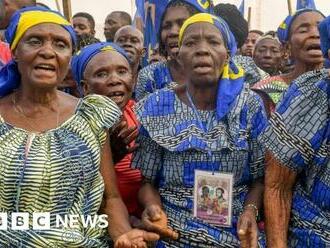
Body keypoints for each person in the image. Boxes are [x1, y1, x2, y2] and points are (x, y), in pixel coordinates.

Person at [0, 7, 159, 247]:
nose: (48, 52)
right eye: (35, 41)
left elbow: (110, 197)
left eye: (60, 45)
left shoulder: (89, 115)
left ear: (69, 58)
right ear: (16, 52)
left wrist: (122, 235)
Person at [132, 13, 267, 247]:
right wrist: (153, 208)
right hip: (173, 228)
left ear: (227, 54)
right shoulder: (157, 106)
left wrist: (251, 212)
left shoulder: (249, 105)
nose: (202, 50)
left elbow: (260, 179)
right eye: (191, 43)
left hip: (236, 230)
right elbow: (146, 182)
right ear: (179, 54)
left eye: (213, 42)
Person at [261, 16, 330, 247]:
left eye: (316, 29)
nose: (313, 35)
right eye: (303, 29)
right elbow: (277, 185)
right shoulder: (310, 94)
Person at [71, 42, 145, 218]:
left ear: (132, 80)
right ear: (85, 87)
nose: (114, 80)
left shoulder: (143, 115)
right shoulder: (71, 127)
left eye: (122, 72)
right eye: (101, 74)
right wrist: (107, 160)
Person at [252, 9, 325, 115]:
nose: (315, 35)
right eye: (303, 30)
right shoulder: (269, 89)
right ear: (286, 48)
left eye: (321, 29)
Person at [135, 0, 211, 101]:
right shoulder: (149, 76)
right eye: (166, 26)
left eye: (182, 23)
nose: (172, 32)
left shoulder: (222, 72)